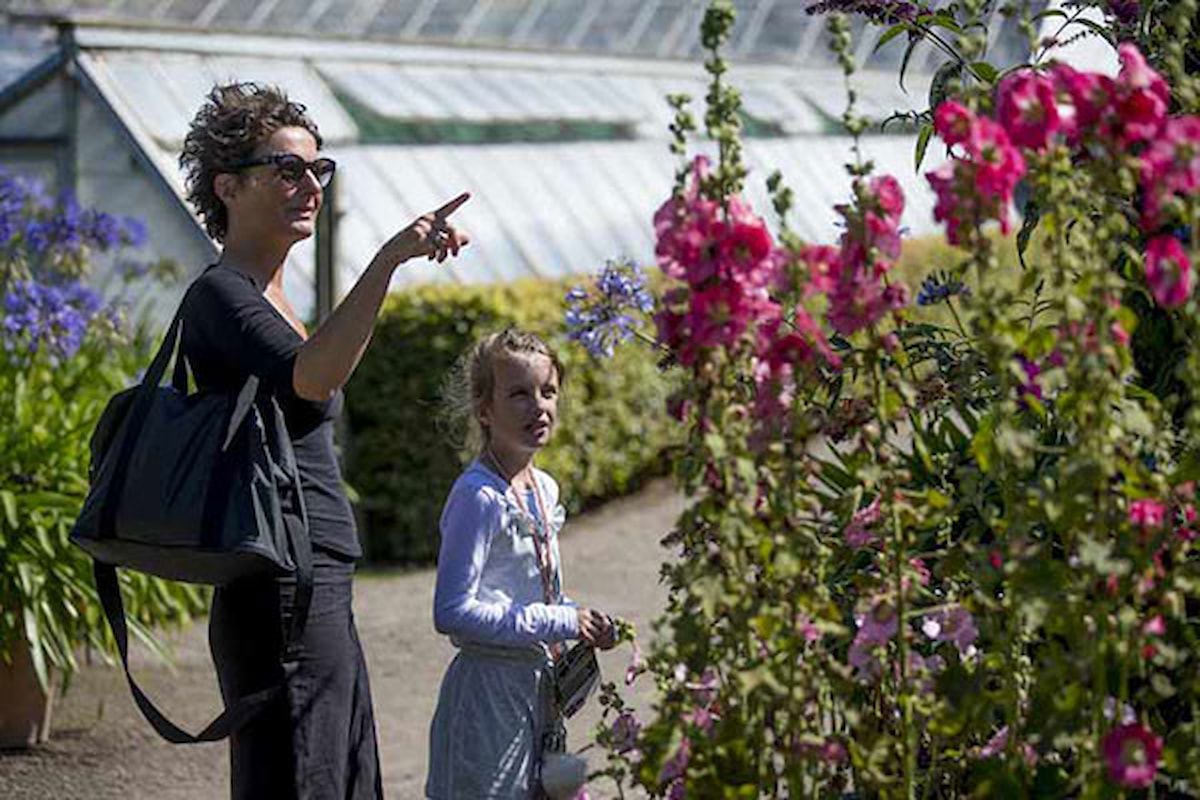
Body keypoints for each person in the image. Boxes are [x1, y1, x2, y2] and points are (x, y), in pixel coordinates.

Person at [176, 81, 470, 799]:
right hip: (278, 591)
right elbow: (311, 379)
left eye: (318, 169)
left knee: (340, 774)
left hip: (311, 583)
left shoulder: (273, 297)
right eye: (287, 169)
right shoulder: (221, 295)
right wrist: (389, 259)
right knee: (300, 778)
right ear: (229, 186)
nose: (310, 184)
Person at [426, 329, 618, 800]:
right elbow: (451, 611)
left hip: (538, 691)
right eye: (519, 394)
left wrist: (583, 623)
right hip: (488, 696)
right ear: (484, 409)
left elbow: (534, 593)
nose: (539, 406)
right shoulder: (478, 497)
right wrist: (559, 619)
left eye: (548, 392)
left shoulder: (543, 489)